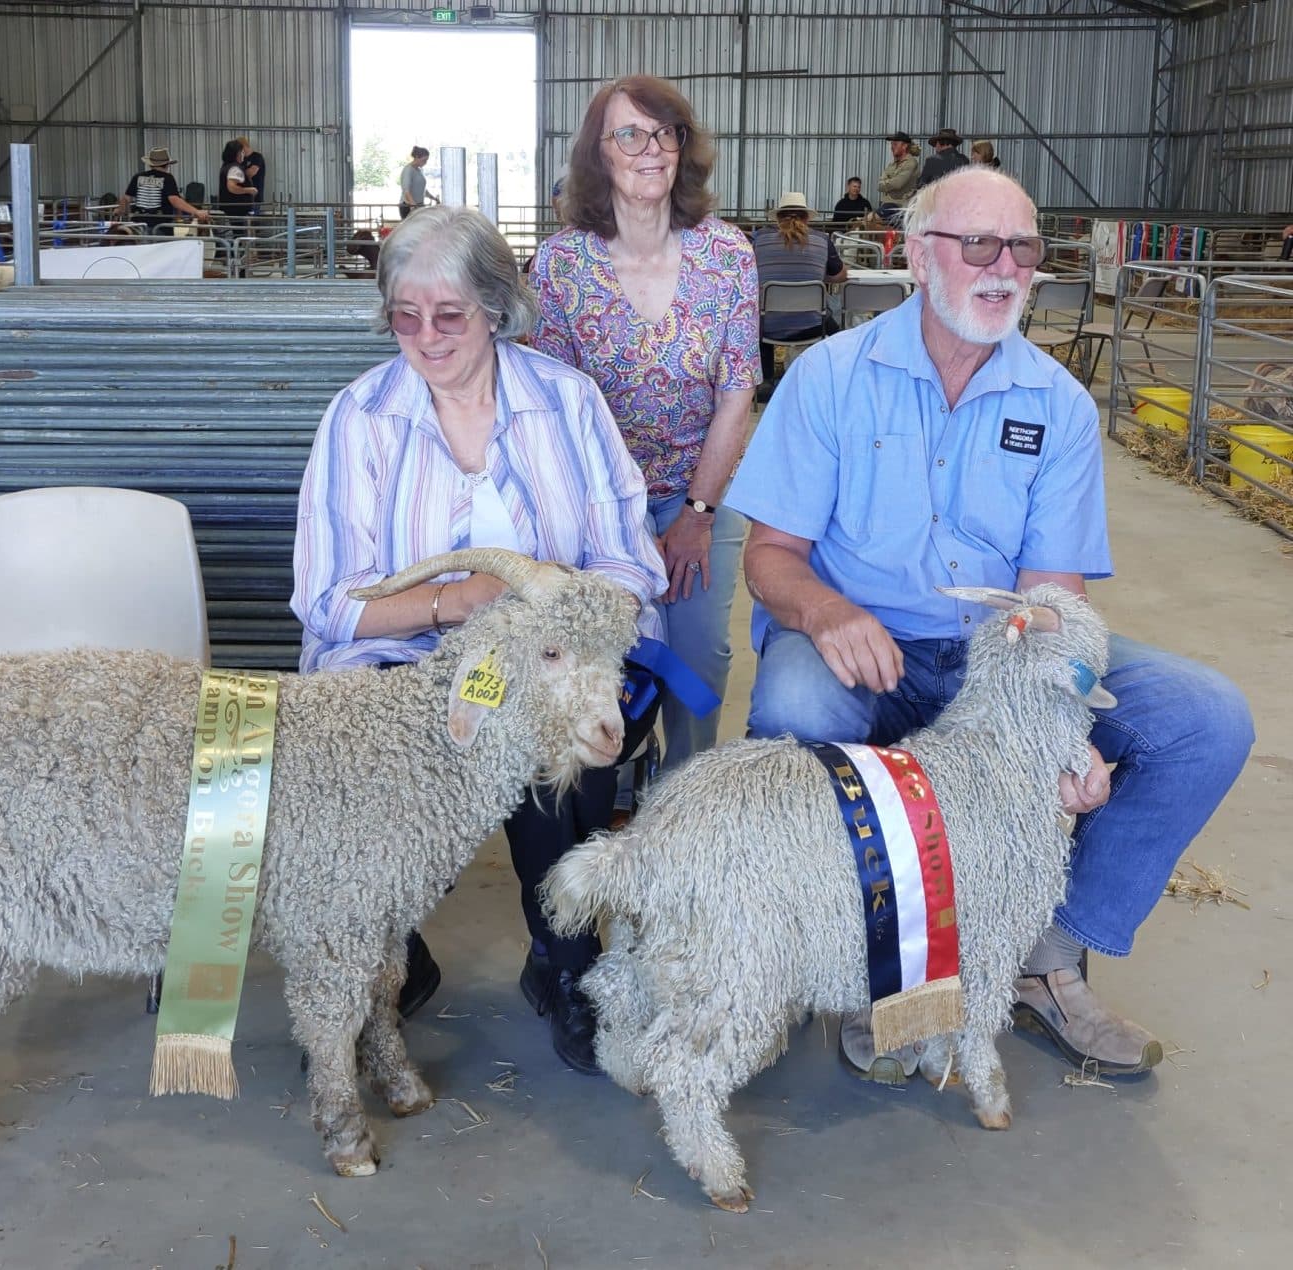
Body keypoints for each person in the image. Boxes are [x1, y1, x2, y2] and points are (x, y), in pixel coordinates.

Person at [726, 166, 1254, 1085]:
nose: (1004, 266)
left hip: (998, 654)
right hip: (857, 637)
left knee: (1204, 720)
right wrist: (830, 612)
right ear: (919, 257)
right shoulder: (830, 377)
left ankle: (1042, 957)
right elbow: (769, 557)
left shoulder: (1057, 403)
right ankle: (875, 972)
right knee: (798, 719)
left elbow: (1052, 600)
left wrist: (1064, 719)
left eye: (1022, 247)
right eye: (979, 244)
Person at [292, 205, 668, 1071]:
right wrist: (454, 603)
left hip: (548, 658)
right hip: (398, 668)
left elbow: (627, 562)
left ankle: (565, 963)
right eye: (404, 314)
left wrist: (553, 613)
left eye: (449, 315)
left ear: (496, 308)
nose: (425, 335)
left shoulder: (567, 403)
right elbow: (326, 602)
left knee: (555, 750)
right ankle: (388, 951)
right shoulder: (361, 417)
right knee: (362, 751)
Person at [531, 74, 759, 773]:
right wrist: (610, 525)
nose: (650, 149)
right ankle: (617, 767)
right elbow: (556, 411)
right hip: (599, 499)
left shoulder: (728, 257)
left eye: (665, 133)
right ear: (599, 154)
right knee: (605, 648)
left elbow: (737, 393)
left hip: (700, 486)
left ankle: (685, 789)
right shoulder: (561, 265)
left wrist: (694, 514)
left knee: (699, 654)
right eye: (630, 133)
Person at [753, 190, 847, 389]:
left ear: (778, 217)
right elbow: (840, 275)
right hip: (812, 325)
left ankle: (766, 381)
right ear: (806, 217)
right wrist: (819, 276)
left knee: (757, 314)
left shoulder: (759, 238)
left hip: (769, 326)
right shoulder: (822, 239)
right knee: (837, 317)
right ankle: (835, 375)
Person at [116, 146, 209, 235]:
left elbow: (126, 198)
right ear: (167, 164)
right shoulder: (167, 178)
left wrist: (120, 210)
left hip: (138, 225)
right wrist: (196, 212)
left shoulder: (137, 177)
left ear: (150, 164)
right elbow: (174, 200)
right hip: (161, 225)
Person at [876, 130, 919, 219]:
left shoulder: (911, 163)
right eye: (892, 144)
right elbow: (879, 184)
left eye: (895, 144)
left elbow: (897, 184)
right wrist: (888, 184)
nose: (892, 147)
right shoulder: (892, 165)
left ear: (904, 146)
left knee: (870, 220)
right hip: (887, 206)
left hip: (901, 207)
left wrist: (886, 183)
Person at [217, 138, 257, 216]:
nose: (243, 154)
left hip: (232, 209)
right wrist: (249, 190)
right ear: (237, 153)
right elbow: (231, 187)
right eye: (242, 152)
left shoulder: (226, 166)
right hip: (238, 210)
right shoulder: (234, 168)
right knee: (239, 228)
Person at [399, 146, 430, 219]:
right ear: (416, 157)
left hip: (418, 206)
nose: (425, 162)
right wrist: (414, 207)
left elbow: (421, 189)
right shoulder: (408, 170)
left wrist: (433, 198)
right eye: (424, 160)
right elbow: (406, 191)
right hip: (408, 207)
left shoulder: (419, 170)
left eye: (427, 160)